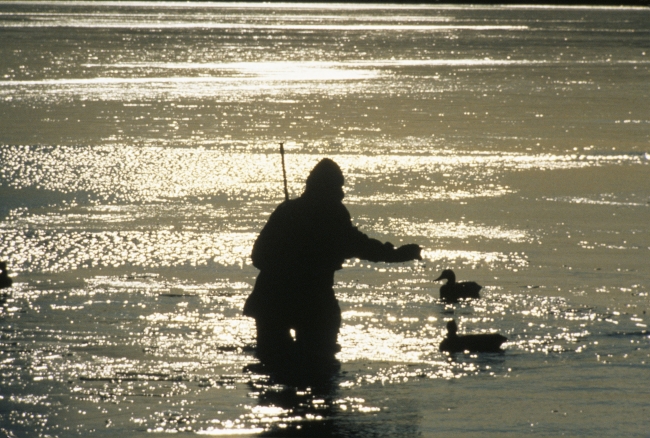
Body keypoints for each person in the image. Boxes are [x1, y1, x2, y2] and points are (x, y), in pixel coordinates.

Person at [243, 158, 421, 365]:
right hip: (312, 299)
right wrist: (396, 255)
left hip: (271, 299)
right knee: (319, 364)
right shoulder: (333, 213)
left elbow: (258, 256)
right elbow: (358, 245)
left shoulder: (286, 211)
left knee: (271, 365)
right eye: (337, 186)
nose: (341, 192)